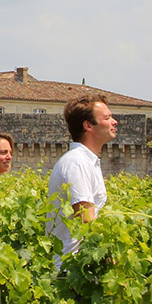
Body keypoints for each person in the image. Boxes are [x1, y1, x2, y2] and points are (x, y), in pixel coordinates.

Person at [46, 94, 118, 265]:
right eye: (107, 117)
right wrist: (111, 258)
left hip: (78, 266)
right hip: (69, 269)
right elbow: (85, 219)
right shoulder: (77, 163)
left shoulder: (86, 161)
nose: (114, 122)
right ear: (88, 125)